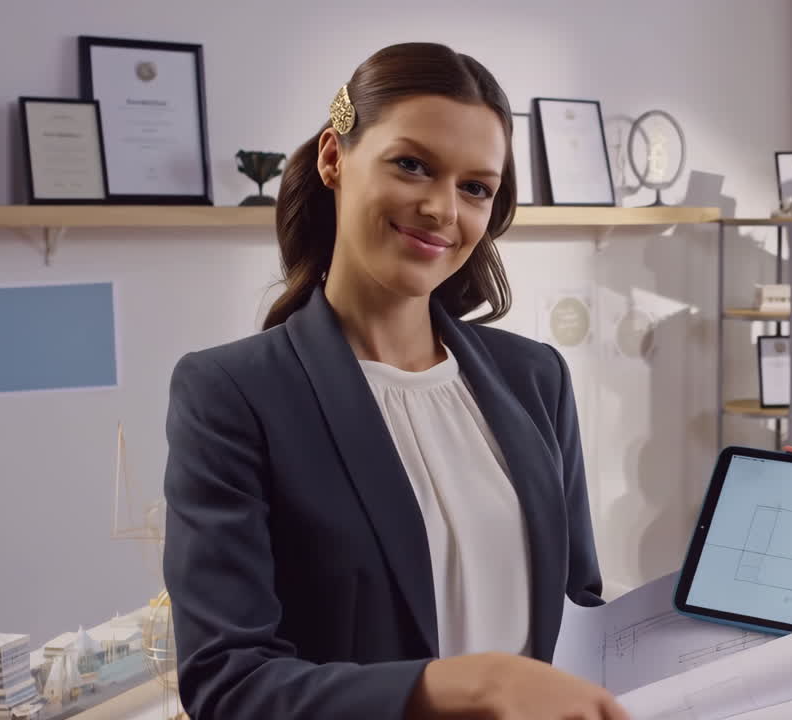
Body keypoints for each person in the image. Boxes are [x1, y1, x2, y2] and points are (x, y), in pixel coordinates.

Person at [161, 42, 628, 720]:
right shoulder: (231, 394)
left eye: (475, 188)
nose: (443, 209)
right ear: (333, 158)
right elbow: (229, 684)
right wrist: (475, 685)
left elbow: (580, 609)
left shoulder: (535, 378)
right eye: (412, 165)